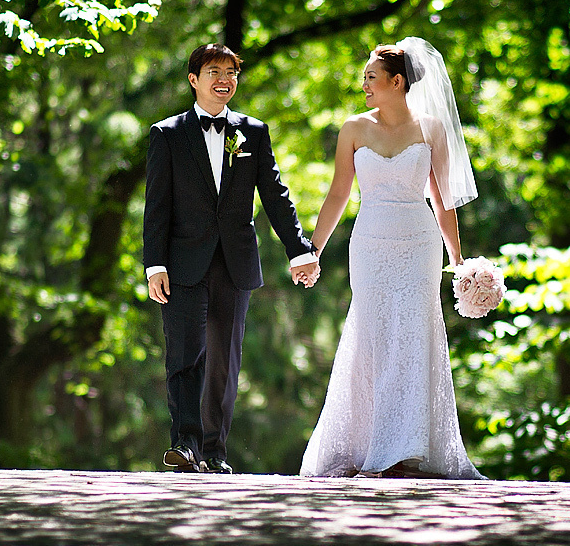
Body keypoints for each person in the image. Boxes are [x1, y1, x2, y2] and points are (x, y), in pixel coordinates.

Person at [299, 38, 486, 479]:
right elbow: (338, 194)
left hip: (419, 245)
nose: (364, 84)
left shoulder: (432, 129)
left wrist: (458, 262)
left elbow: (443, 202)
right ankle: (368, 443)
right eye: (364, 77)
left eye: (371, 77)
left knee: (413, 336)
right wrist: (313, 251)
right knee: (374, 334)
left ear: (396, 82)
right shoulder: (354, 128)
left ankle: (407, 448)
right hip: (369, 244)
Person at [144, 43, 320, 474]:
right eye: (214, 72)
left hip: (235, 261)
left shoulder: (252, 132)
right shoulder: (166, 134)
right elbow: (157, 205)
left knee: (224, 359)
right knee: (185, 354)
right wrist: (155, 264)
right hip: (182, 262)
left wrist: (299, 248)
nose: (224, 80)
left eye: (231, 73)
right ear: (193, 79)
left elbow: (276, 196)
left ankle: (214, 450)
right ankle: (184, 445)